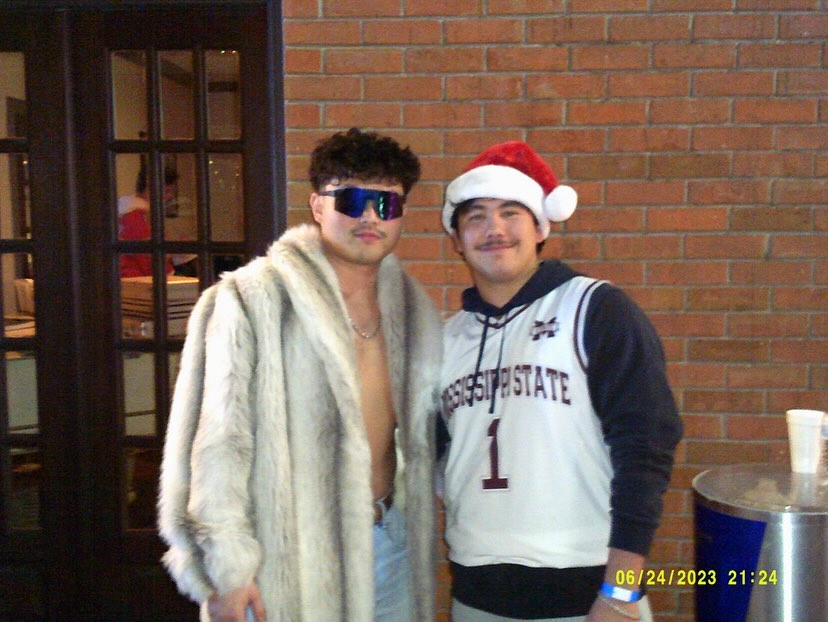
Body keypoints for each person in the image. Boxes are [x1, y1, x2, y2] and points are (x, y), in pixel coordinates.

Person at [158, 128, 441, 621]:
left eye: (386, 203)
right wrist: (225, 570)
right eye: (351, 199)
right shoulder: (252, 299)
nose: (370, 216)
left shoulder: (414, 311)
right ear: (317, 206)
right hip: (286, 560)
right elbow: (215, 444)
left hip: (392, 548)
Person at [437, 141, 683, 622]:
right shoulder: (446, 340)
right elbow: (432, 460)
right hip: (476, 597)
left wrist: (621, 591)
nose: (494, 229)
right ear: (457, 240)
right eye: (476, 217)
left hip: (591, 596)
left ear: (539, 228)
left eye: (511, 213)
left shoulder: (596, 309)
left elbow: (646, 447)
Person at [119, 165, 179, 277]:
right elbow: (148, 258)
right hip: (138, 280)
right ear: (151, 188)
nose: (170, 197)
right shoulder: (137, 217)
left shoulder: (128, 211)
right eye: (167, 191)